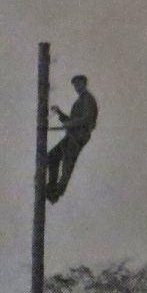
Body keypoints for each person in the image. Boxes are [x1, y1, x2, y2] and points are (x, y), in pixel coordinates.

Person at [47, 75, 98, 204]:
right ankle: (52, 188)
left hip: (78, 137)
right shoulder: (79, 102)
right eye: (75, 85)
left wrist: (71, 124)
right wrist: (59, 113)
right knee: (52, 156)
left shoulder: (88, 100)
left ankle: (57, 192)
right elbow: (71, 121)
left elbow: (87, 118)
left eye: (78, 84)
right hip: (71, 135)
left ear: (84, 84)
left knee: (67, 164)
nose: (76, 87)